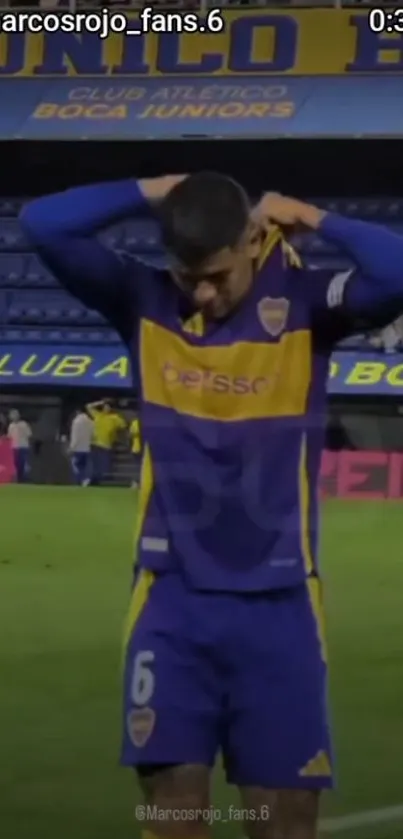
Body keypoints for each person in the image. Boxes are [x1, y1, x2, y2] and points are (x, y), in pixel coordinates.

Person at [20, 173, 403, 839]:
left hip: (279, 605)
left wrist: (312, 216)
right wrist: (151, 188)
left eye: (218, 274)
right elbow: (43, 223)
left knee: (282, 823)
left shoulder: (308, 305)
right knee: (172, 816)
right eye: (186, 273)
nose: (201, 292)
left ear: (252, 241)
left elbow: (396, 269)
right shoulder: (141, 297)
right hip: (170, 602)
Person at [86, 399, 126, 485]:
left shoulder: (115, 418)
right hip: (95, 444)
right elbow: (88, 406)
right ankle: (93, 482)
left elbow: (123, 426)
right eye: (105, 406)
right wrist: (101, 402)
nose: (106, 408)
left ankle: (97, 481)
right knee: (94, 465)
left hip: (106, 445)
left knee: (104, 466)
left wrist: (115, 435)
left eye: (108, 407)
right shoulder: (98, 415)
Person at [68, 407, 93, 486]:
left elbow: (75, 436)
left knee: (75, 465)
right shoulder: (90, 422)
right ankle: (85, 478)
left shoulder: (76, 422)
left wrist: (71, 447)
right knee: (83, 465)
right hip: (87, 448)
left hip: (78, 448)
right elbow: (93, 434)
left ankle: (82, 479)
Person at [8, 409, 32, 483]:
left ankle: (23, 480)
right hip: (14, 447)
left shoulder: (24, 424)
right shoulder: (11, 426)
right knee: (15, 465)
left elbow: (29, 434)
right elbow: (9, 437)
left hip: (23, 446)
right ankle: (17, 480)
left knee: (23, 464)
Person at [129, 415, 141, 488]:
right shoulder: (135, 422)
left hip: (146, 449)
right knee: (138, 467)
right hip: (136, 448)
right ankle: (136, 482)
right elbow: (131, 434)